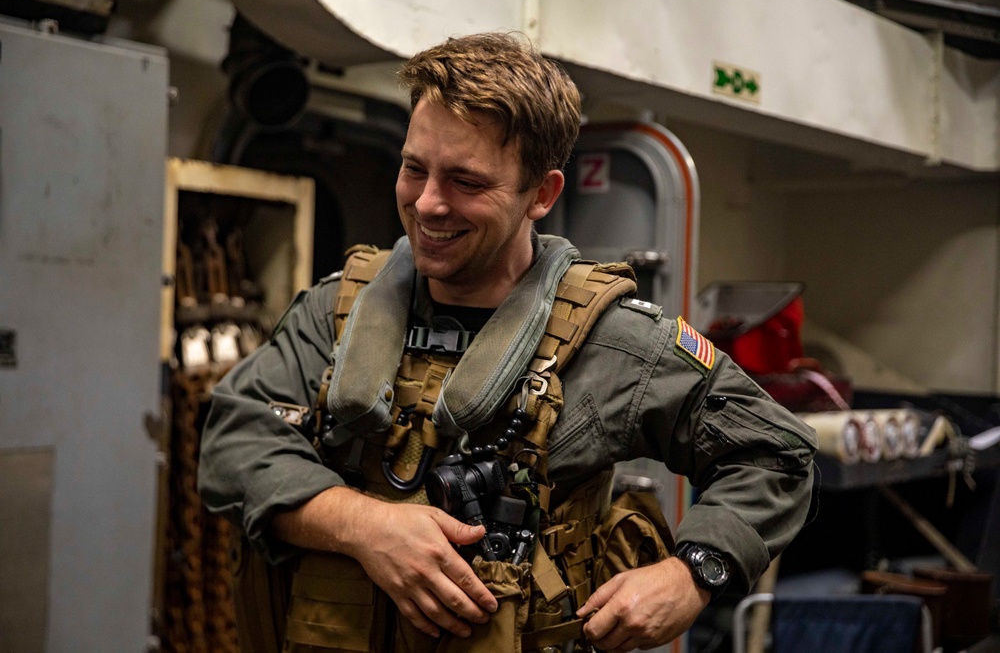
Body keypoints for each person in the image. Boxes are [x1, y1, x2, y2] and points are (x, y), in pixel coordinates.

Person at [198, 32, 817, 652]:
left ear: (541, 195)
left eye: (467, 181)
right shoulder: (337, 312)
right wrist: (364, 526)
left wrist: (692, 575)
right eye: (415, 169)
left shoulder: (616, 340)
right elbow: (234, 440)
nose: (429, 204)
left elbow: (776, 453)